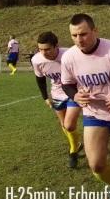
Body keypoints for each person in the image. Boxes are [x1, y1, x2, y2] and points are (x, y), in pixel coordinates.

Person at [61, 13, 110, 199]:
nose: (79, 40)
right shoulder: (69, 57)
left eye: (83, 34)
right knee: (96, 165)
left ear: (95, 30)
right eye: (74, 36)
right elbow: (67, 84)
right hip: (95, 115)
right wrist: (75, 96)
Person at [31, 31, 82, 168]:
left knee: (69, 124)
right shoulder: (36, 60)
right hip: (57, 94)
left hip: (74, 92)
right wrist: (45, 97)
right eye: (40, 49)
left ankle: (73, 152)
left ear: (56, 46)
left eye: (47, 49)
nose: (44, 52)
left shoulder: (70, 54)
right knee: (64, 124)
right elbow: (40, 79)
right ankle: (76, 144)